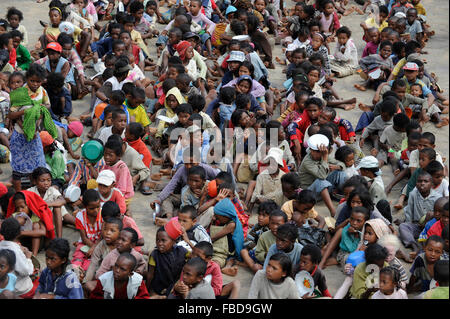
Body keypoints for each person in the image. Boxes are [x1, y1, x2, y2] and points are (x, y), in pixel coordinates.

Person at [8, 64, 57, 192]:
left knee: (36, 166)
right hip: (20, 136)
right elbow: (11, 114)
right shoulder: (19, 93)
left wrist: (38, 111)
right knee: (18, 167)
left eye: (38, 81)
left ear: (42, 81)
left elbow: (47, 105)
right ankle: (20, 195)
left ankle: (33, 191)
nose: (35, 84)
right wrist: (26, 113)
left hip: (35, 134)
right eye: (32, 81)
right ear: (27, 79)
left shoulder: (42, 92)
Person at [6, 190, 56, 257]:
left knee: (35, 225)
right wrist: (17, 223)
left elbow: (43, 232)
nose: (20, 210)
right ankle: (17, 252)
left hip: (36, 244)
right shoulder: (16, 215)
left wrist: (21, 233)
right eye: (17, 208)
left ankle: (34, 256)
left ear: (29, 205)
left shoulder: (36, 215)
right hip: (22, 244)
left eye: (22, 207)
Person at [146, 226, 188, 297]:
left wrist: (187, 241)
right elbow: (150, 275)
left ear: (174, 241)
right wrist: (146, 289)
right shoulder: (154, 255)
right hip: (159, 287)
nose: (159, 243)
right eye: (157, 240)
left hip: (176, 286)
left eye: (163, 240)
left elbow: (195, 255)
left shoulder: (182, 251)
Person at [0, 218, 35, 297]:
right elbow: (26, 271)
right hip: (19, 290)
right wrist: (28, 258)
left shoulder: (1, 245)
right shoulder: (15, 250)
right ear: (18, 233)